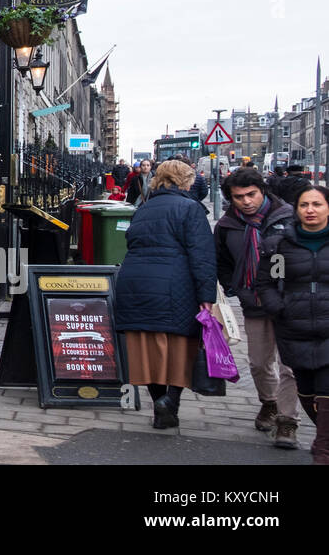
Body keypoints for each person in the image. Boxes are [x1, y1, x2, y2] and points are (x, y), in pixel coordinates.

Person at [113, 159, 216, 430]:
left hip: (136, 284)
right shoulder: (191, 209)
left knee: (148, 350)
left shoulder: (144, 209)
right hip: (175, 286)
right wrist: (207, 297)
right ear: (184, 181)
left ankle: (161, 405)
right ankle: (170, 400)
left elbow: (131, 241)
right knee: (181, 348)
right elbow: (202, 257)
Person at [215, 166, 299, 448]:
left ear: (262, 191)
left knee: (289, 366)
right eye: (239, 197)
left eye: (251, 194)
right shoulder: (227, 225)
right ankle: (269, 402)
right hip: (255, 302)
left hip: (290, 303)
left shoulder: (287, 218)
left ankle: (288, 422)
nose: (246, 201)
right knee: (259, 362)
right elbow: (222, 263)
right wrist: (235, 288)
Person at [256, 185, 329, 464]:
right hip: (295, 328)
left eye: (317, 204)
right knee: (308, 392)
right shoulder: (281, 245)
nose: (310, 210)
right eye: (304, 205)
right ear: (296, 210)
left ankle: (323, 450)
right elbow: (268, 281)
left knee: (326, 390)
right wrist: (278, 308)